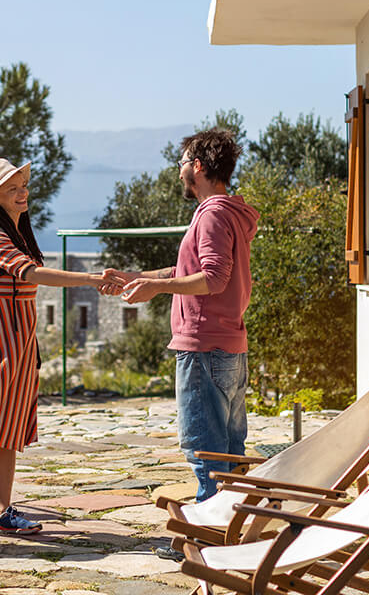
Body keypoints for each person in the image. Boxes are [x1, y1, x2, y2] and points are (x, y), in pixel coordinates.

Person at [0, 158, 120, 536]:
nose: (24, 192)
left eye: (23, 185)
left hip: (19, 345)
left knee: (10, 430)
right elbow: (32, 274)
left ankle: (2, 511)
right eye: (14, 187)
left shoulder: (19, 233)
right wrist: (90, 278)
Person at [107, 129, 258, 556]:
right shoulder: (229, 211)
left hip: (203, 345)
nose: (177, 172)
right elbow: (188, 267)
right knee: (228, 450)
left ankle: (207, 544)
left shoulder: (211, 214)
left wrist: (158, 291)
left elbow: (212, 277)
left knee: (206, 450)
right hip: (228, 345)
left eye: (181, 163)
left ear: (197, 166)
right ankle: (230, 535)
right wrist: (141, 279)